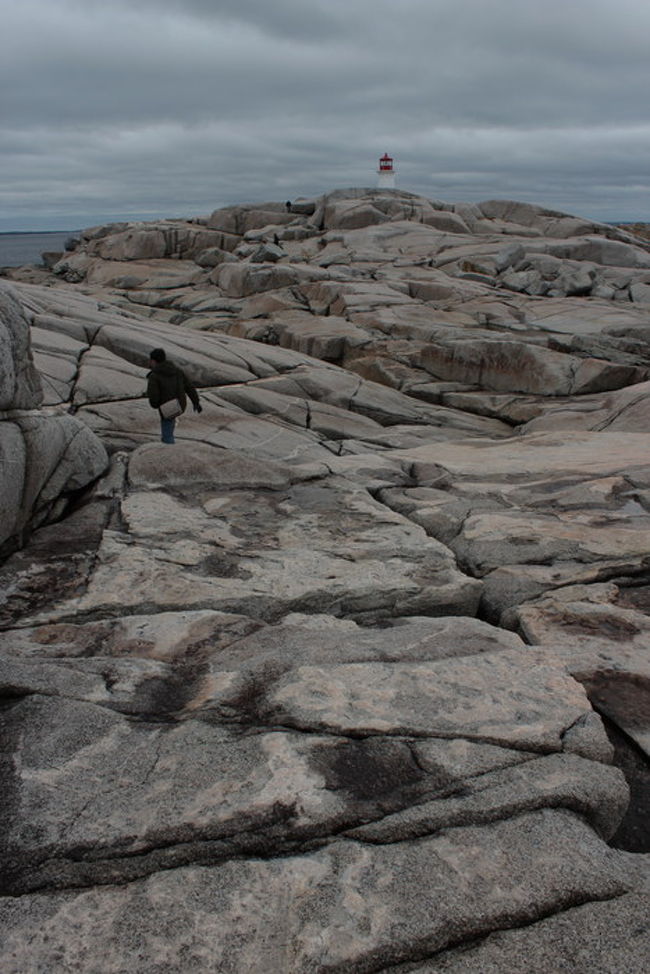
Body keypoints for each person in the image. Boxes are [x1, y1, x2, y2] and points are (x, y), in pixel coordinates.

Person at [146, 348, 201, 444]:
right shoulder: (177, 371)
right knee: (170, 421)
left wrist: (155, 404)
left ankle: (169, 449)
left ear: (153, 361)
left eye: (150, 360)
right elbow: (189, 387)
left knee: (167, 431)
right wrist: (196, 402)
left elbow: (153, 397)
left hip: (167, 407)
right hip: (180, 404)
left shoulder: (154, 376)